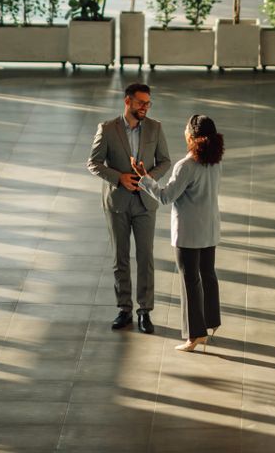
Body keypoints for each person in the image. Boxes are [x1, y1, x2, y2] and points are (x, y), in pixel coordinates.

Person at [132, 113, 223, 353]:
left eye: (186, 129)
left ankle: (194, 336)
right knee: (208, 275)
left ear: (192, 136)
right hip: (210, 229)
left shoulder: (186, 166)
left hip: (188, 233)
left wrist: (145, 178)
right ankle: (210, 323)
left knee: (190, 282)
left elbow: (166, 197)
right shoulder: (215, 161)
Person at [87, 83, 170, 334]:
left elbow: (165, 161)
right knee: (120, 258)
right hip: (118, 202)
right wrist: (119, 178)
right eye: (140, 103)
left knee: (145, 257)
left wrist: (147, 178)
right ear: (127, 101)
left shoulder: (155, 127)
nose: (145, 107)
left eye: (148, 103)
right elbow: (93, 163)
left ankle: (145, 311)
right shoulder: (107, 129)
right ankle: (124, 308)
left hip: (145, 201)